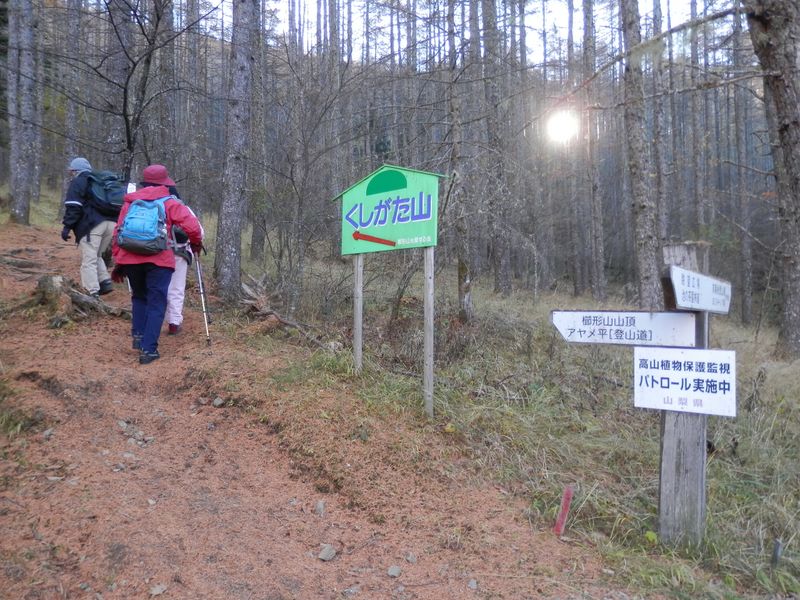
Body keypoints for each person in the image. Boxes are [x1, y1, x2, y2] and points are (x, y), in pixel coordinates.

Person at [111, 164, 203, 365]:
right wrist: (195, 243)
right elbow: (193, 226)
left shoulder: (130, 202)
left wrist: (119, 260)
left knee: (139, 297)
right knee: (156, 302)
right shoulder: (170, 202)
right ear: (165, 182)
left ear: (144, 181)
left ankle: (138, 335)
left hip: (131, 257)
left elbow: (118, 232)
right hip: (159, 259)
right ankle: (149, 349)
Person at [60, 157, 116, 298]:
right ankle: (105, 282)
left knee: (88, 260)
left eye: (71, 171)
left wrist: (67, 227)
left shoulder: (79, 181)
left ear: (75, 171)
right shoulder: (98, 181)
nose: (71, 174)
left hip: (92, 226)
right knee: (96, 255)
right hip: (111, 224)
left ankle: (91, 292)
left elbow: (74, 206)